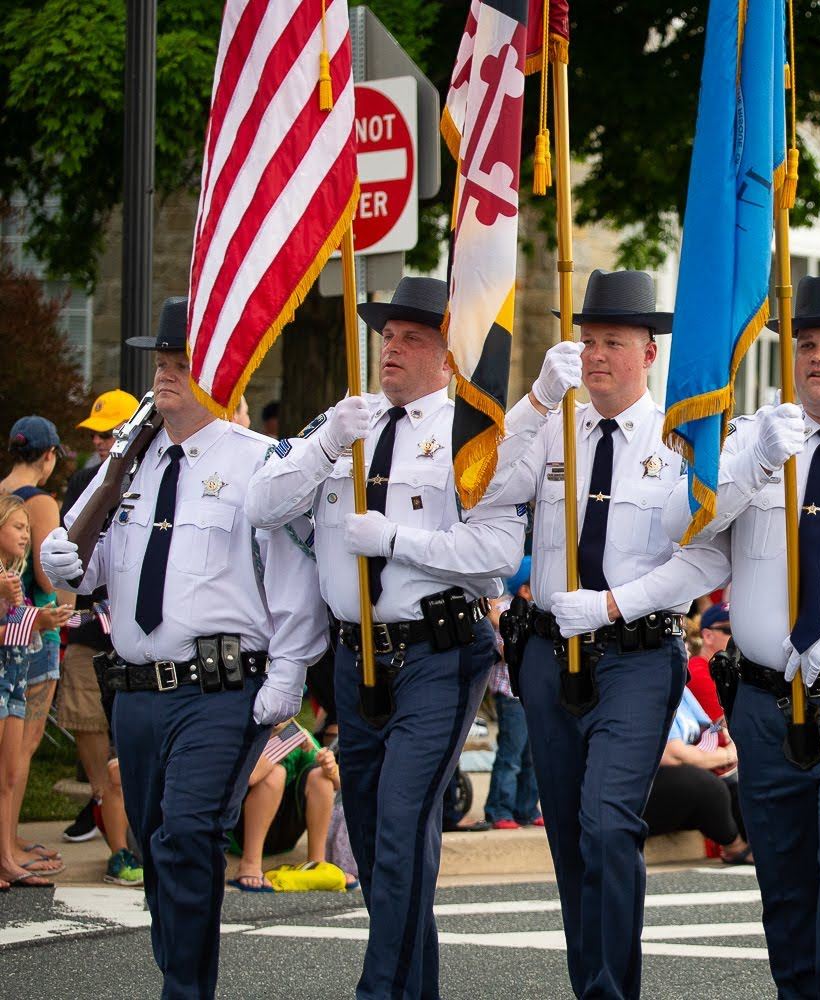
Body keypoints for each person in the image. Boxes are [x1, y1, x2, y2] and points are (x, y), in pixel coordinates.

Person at [575, 271, 820, 998]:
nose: (817, 356)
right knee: (783, 878)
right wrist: (747, 468)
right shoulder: (750, 436)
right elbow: (679, 527)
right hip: (764, 697)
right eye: (806, 342)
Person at [244, 275, 576, 1000]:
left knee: (398, 824)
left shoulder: (470, 434)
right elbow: (263, 508)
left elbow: (494, 555)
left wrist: (397, 538)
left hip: (438, 653)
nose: (392, 348)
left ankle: (379, 993)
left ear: (447, 357)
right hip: (353, 655)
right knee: (373, 835)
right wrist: (328, 439)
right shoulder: (343, 425)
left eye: (412, 338)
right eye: (387, 335)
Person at [39, 297, 328, 999]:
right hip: (137, 693)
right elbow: (89, 567)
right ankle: (180, 971)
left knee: (189, 834)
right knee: (157, 844)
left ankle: (185, 991)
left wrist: (288, 672)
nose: (165, 375)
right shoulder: (130, 463)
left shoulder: (261, 463)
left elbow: (293, 581)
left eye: (182, 364)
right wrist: (63, 556)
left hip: (221, 689)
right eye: (161, 362)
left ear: (221, 376)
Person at [493, 269, 725, 1000]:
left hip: (634, 655)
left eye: (613, 342)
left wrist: (616, 604)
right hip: (546, 654)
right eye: (587, 339)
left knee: (605, 822)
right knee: (567, 834)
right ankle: (589, 982)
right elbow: (483, 488)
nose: (595, 354)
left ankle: (609, 991)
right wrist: (532, 403)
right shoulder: (556, 423)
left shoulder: (679, 437)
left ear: (649, 352)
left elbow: (705, 555)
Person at [58, 388, 140, 856]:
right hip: (91, 628)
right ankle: (102, 814)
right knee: (89, 726)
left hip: (137, 634)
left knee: (131, 737)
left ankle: (131, 828)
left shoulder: (155, 478)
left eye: (108, 434)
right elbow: (70, 555)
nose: (99, 443)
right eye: (93, 435)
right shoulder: (84, 482)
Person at [1, 415, 67, 870]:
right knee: (22, 745)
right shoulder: (40, 500)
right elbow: (48, 573)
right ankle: (7, 843)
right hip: (32, 629)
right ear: (48, 457)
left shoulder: (3, 491)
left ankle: (10, 838)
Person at [229, 725, 344, 892]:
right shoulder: (246, 731)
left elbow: (339, 784)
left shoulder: (296, 732)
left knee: (320, 776)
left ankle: (316, 862)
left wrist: (331, 769)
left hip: (284, 832)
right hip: (241, 832)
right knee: (276, 773)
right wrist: (286, 741)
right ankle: (250, 864)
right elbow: (252, 776)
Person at [643, 684, 749, 863]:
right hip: (648, 782)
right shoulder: (649, 689)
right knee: (708, 786)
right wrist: (728, 754)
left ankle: (762, 846)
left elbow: (707, 728)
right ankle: (735, 848)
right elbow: (673, 755)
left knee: (742, 787)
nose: (685, 654)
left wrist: (723, 726)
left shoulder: (680, 686)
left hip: (687, 769)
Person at [482, 559, 541, 830]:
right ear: (524, 590)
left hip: (535, 693)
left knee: (534, 755)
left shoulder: (540, 611)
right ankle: (500, 809)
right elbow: (505, 652)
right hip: (511, 694)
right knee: (512, 753)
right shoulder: (504, 611)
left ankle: (527, 808)